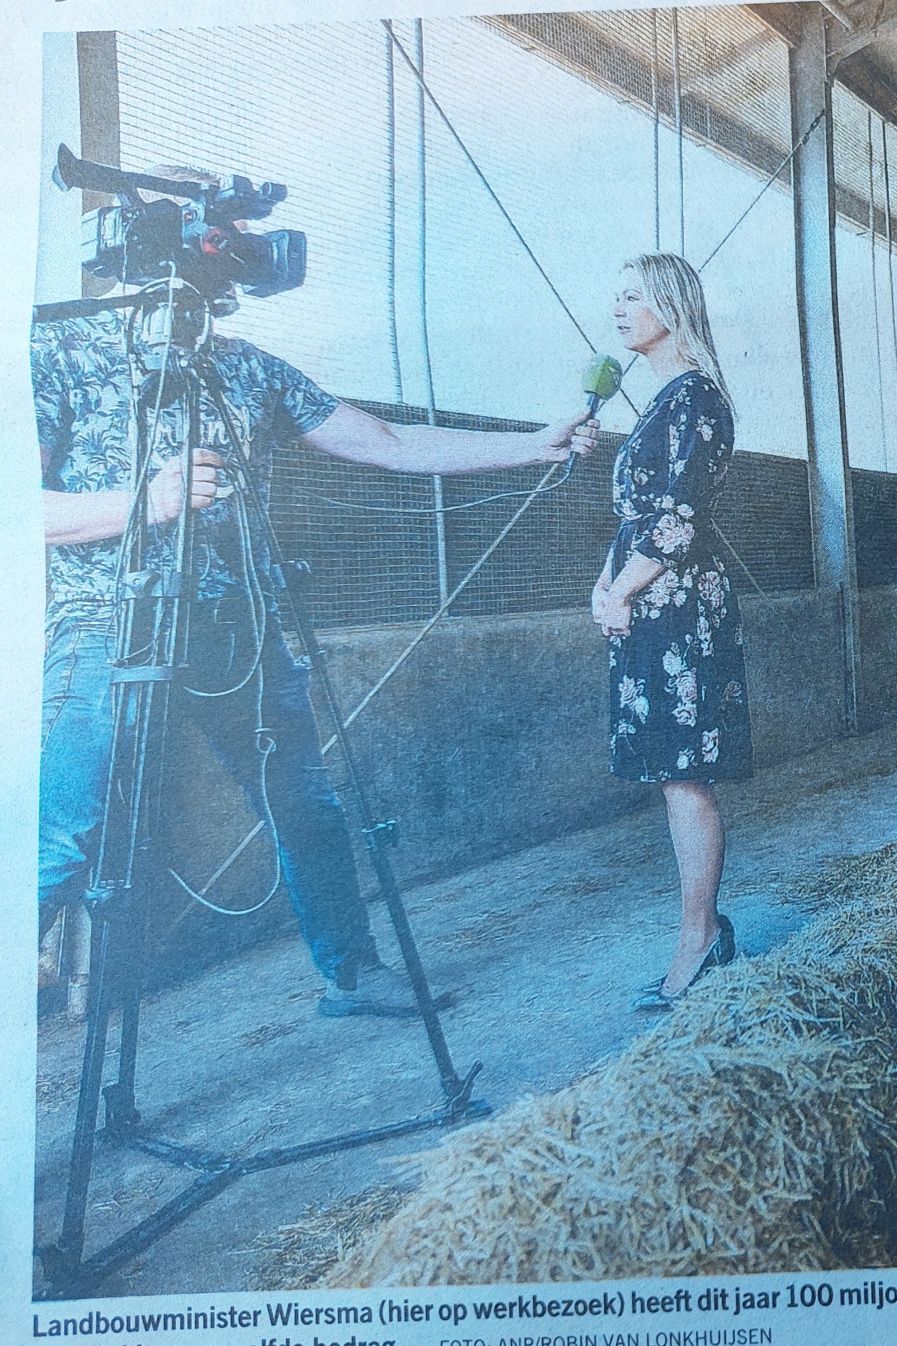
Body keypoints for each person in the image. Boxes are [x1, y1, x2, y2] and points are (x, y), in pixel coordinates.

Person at [36, 165, 598, 1019]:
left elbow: (382, 440)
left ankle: (354, 973)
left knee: (304, 804)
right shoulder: (59, 353)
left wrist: (530, 446)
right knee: (59, 836)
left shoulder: (249, 368)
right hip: (106, 626)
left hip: (241, 626)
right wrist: (143, 503)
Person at [590, 254, 752, 1013]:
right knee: (671, 773)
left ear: (670, 305)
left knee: (687, 774)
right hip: (648, 599)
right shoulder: (661, 399)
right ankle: (702, 931)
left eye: (632, 296)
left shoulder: (695, 398)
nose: (618, 309)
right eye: (616, 297)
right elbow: (639, 518)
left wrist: (621, 589)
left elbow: (679, 519)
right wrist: (606, 585)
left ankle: (699, 938)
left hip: (677, 601)